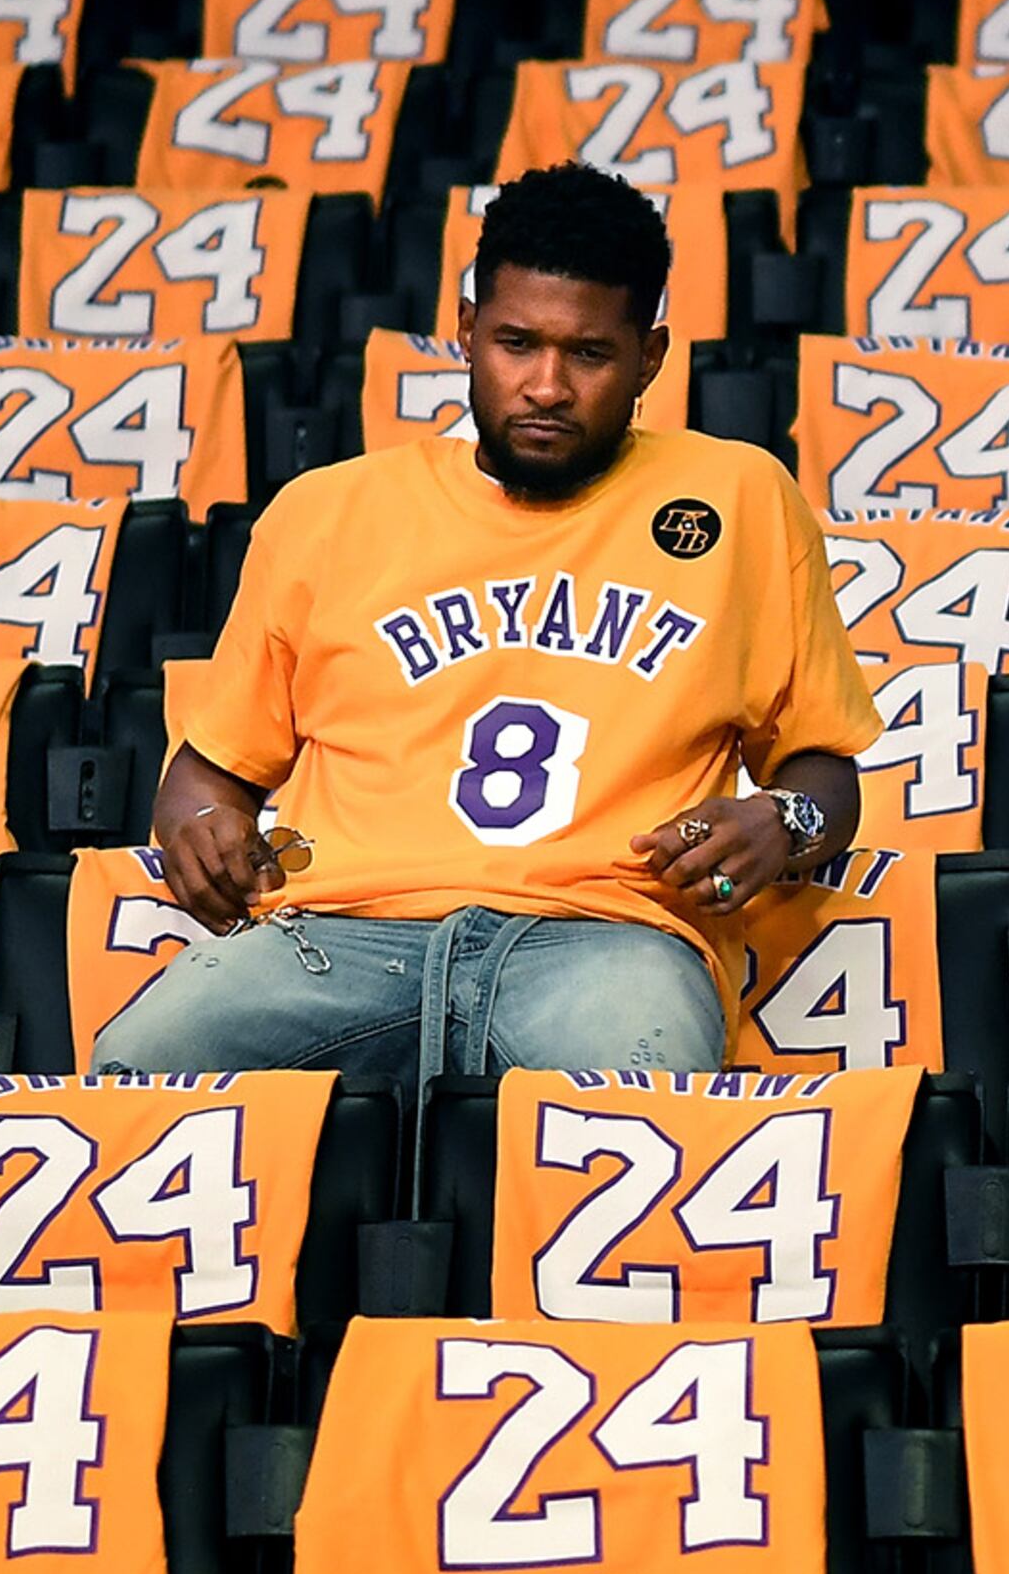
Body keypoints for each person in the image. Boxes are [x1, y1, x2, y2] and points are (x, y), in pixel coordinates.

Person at [94, 162, 880, 1087]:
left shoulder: (743, 499)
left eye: (588, 354)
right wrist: (199, 831)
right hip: (337, 936)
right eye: (515, 343)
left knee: (644, 1101)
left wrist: (778, 820)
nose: (546, 386)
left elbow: (826, 773)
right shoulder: (323, 511)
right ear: (465, 332)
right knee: (139, 1066)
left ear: (651, 357)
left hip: (611, 941)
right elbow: (207, 776)